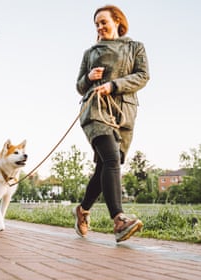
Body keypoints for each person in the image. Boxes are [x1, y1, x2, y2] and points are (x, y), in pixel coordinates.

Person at [72, 5, 149, 242]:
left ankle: (82, 210)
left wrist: (114, 85)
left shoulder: (135, 47)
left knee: (104, 167)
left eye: (103, 22)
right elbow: (79, 86)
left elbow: (143, 76)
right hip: (95, 110)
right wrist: (89, 78)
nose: (99, 27)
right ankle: (119, 219)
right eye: (96, 24)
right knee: (112, 159)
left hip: (124, 113)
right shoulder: (90, 53)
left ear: (117, 21)